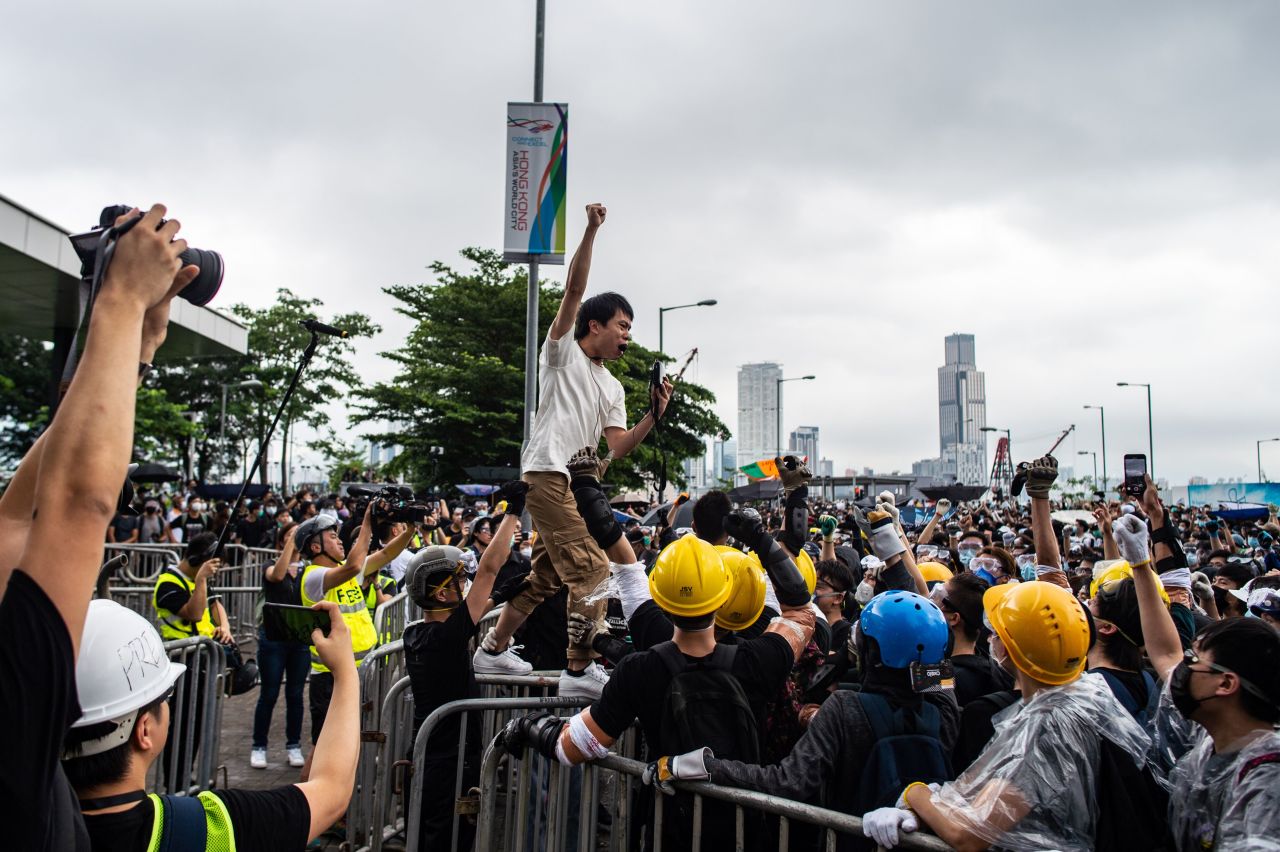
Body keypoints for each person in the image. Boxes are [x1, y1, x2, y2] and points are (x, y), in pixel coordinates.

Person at [474, 202, 672, 699]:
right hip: (546, 475)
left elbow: (620, 448)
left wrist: (655, 415)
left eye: (630, 327)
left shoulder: (615, 388)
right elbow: (574, 290)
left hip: (578, 485)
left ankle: (493, 649)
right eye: (622, 325)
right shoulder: (560, 354)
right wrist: (590, 230)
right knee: (592, 570)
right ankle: (579, 669)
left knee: (546, 576)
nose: (628, 335)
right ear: (594, 326)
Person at [864, 580, 1160, 851]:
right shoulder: (1091, 695)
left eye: (996, 633)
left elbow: (968, 834)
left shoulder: (1047, 725)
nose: (991, 639)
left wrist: (915, 793)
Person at [691, 591, 957, 851]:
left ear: (871, 652)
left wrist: (707, 766)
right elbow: (942, 682)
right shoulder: (942, 713)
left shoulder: (844, 706)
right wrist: (925, 647)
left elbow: (788, 783)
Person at [403, 481, 526, 851]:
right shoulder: (443, 638)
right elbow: (489, 569)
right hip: (450, 763)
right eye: (458, 580)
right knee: (448, 840)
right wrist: (513, 512)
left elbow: (470, 608)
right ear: (441, 594)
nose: (467, 583)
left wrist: (499, 598)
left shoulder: (418, 633)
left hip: (430, 757)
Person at [295, 503, 376, 780]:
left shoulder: (341, 571)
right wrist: (367, 521)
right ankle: (306, 808)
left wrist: (411, 526)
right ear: (315, 547)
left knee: (339, 743)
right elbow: (355, 564)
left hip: (348, 672)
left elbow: (387, 553)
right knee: (323, 746)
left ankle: (323, 808)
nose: (339, 539)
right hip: (328, 677)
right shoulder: (314, 577)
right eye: (332, 536)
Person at [251, 525, 312, 770]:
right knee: (269, 694)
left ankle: (293, 745)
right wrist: (291, 544)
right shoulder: (270, 565)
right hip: (273, 639)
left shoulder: (308, 569)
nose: (294, 540)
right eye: (288, 536)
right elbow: (276, 576)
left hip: (299, 641)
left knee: (296, 695)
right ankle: (259, 746)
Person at [928, 572, 1012, 707]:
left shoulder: (941, 677)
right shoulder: (997, 670)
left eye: (937, 598)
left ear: (954, 618)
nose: (928, 605)